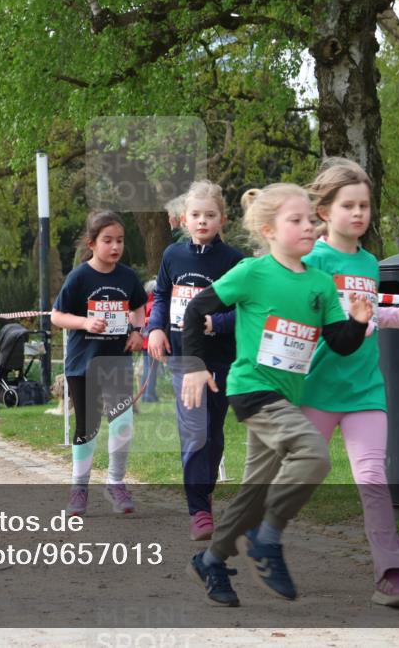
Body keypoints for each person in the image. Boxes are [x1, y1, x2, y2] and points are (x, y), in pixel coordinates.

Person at [181, 183, 371, 607]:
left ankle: (211, 560)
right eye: (296, 220)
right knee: (313, 455)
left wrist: (357, 322)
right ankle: (268, 538)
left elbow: (339, 342)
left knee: (254, 491)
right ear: (268, 230)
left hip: (287, 396)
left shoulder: (321, 284)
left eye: (310, 219)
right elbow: (197, 310)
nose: (309, 226)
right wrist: (194, 366)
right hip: (251, 390)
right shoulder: (253, 272)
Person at [301, 158, 399, 609]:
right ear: (324, 212)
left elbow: (369, 311)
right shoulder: (310, 261)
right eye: (348, 205)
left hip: (363, 390)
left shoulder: (371, 263)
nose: (359, 214)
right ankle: (249, 545)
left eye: (365, 206)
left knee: (373, 477)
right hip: (315, 389)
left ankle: (392, 576)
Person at [147, 180, 244, 541]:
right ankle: (199, 510)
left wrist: (214, 322)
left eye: (210, 215)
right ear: (183, 219)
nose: (202, 221)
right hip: (183, 357)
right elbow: (160, 296)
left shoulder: (234, 262)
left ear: (223, 219)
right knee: (194, 431)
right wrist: (155, 328)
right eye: (195, 215)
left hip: (220, 360)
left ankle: (204, 493)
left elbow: (244, 313)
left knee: (213, 433)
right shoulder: (173, 256)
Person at [51, 210, 147, 517]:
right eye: (108, 240)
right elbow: (56, 316)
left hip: (117, 362)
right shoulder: (80, 277)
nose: (115, 246)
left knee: (122, 424)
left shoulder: (128, 277)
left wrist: (137, 332)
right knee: (88, 427)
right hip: (84, 364)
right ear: (92, 243)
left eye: (119, 240)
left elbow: (139, 307)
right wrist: (84, 322)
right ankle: (79, 489)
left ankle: (116, 483)